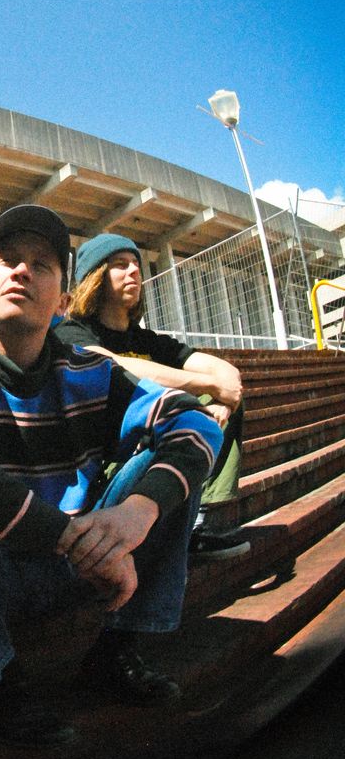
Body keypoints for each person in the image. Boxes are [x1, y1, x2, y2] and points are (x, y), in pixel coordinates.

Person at [0, 205, 222, 746]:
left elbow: (195, 421)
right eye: (8, 260)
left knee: (168, 466)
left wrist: (140, 510)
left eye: (42, 264)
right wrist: (68, 537)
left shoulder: (90, 370)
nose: (22, 271)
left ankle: (114, 652)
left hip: (62, 568)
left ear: (63, 302)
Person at [55, 233, 250, 560]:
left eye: (136, 265)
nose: (133, 271)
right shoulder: (71, 331)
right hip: (110, 468)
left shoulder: (148, 340)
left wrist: (223, 400)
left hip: (159, 450)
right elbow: (114, 365)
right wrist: (209, 388)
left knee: (212, 403)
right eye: (120, 265)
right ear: (95, 278)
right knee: (187, 408)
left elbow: (227, 374)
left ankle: (200, 523)